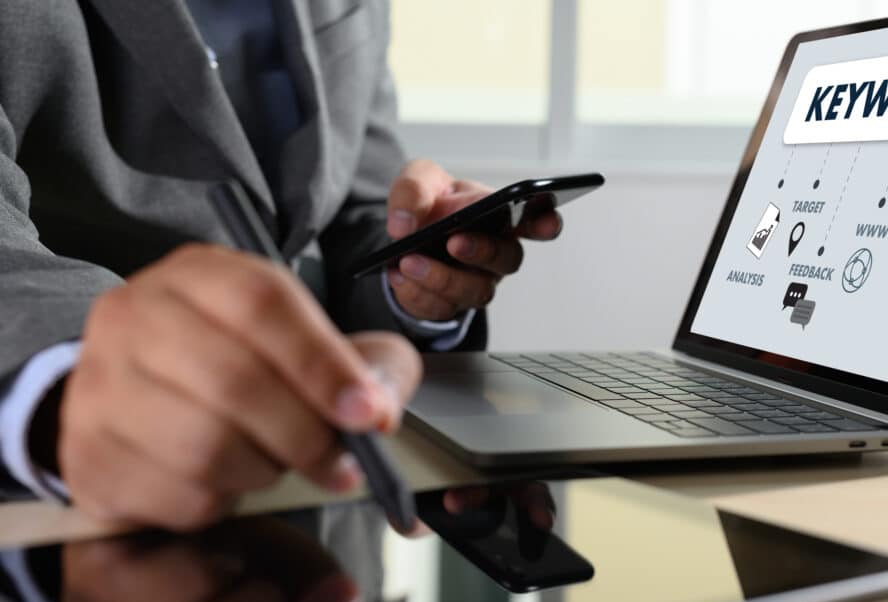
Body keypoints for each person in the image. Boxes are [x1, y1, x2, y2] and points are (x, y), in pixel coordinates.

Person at [0, 1, 561, 529]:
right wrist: (66, 381)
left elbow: (355, 211)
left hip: (333, 515)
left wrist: (416, 270)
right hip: (77, 515)